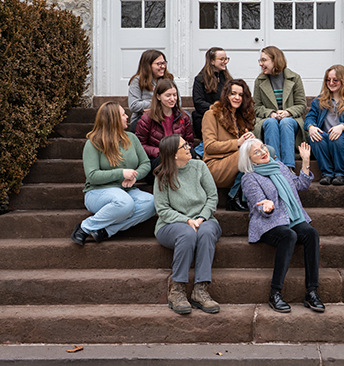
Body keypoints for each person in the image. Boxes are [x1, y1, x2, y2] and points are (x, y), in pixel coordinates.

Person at [239, 139, 325, 314]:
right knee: (289, 236)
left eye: (262, 147)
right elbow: (258, 203)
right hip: (267, 223)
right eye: (256, 152)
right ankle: (275, 293)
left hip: (292, 218)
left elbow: (301, 185)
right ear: (249, 160)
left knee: (311, 233)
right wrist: (266, 206)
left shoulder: (279, 166)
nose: (263, 152)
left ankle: (312, 291)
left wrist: (306, 162)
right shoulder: (250, 177)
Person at [154, 134, 222, 315]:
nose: (189, 148)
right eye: (183, 146)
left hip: (204, 220)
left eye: (187, 144)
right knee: (187, 233)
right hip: (171, 225)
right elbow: (162, 209)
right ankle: (177, 290)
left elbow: (212, 197)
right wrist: (187, 220)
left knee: (206, 232)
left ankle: (201, 290)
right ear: (174, 155)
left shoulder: (200, 167)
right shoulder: (162, 176)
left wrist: (201, 218)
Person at [71, 102, 156, 246]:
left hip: (127, 190)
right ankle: (85, 227)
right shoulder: (93, 143)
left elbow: (146, 163)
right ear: (113, 119)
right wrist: (121, 173)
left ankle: (105, 231)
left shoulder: (131, 138)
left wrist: (134, 177)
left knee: (153, 203)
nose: (127, 117)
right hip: (97, 192)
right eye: (123, 114)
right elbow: (92, 175)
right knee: (125, 203)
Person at [202, 79, 256, 211]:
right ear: (226, 95)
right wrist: (238, 143)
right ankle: (234, 197)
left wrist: (251, 140)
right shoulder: (211, 115)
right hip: (216, 165)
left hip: (237, 165)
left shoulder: (241, 118)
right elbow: (209, 146)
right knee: (251, 152)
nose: (237, 97)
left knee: (268, 150)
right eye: (233, 93)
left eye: (240, 95)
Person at [304, 65, 344, 186]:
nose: (331, 83)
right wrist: (311, 127)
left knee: (337, 136)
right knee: (315, 136)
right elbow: (310, 117)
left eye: (335, 80)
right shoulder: (318, 101)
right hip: (324, 142)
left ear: (343, 81)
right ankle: (327, 173)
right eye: (328, 80)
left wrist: (342, 127)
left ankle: (341, 174)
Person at [253, 46, 307, 168]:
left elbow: (301, 105)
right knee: (271, 122)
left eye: (264, 60)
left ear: (275, 60)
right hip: (268, 119)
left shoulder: (295, 78)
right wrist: (271, 113)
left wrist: (288, 112)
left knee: (286, 122)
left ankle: (288, 167)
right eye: (260, 61)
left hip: (290, 120)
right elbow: (257, 107)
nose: (261, 64)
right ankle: (275, 166)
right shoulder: (259, 80)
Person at [135, 79, 194, 184]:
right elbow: (139, 145)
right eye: (168, 95)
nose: (172, 99)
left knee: (192, 154)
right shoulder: (147, 118)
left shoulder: (183, 117)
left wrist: (180, 151)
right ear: (158, 97)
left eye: (175, 95)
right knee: (164, 161)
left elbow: (189, 142)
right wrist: (161, 151)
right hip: (158, 158)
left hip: (178, 156)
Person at [192, 47, 233, 148]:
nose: (225, 62)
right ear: (212, 61)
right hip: (207, 117)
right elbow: (198, 102)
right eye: (222, 59)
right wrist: (217, 109)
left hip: (226, 115)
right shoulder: (200, 79)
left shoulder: (228, 79)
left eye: (226, 59)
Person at [127, 49, 174, 132]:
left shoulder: (168, 79)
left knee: (185, 116)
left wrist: (154, 106)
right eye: (159, 64)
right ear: (148, 65)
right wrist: (159, 104)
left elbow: (177, 102)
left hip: (166, 115)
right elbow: (134, 105)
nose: (163, 66)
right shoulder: (137, 81)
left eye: (164, 63)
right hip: (143, 118)